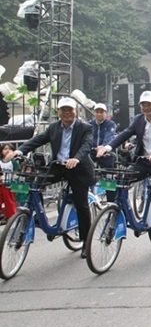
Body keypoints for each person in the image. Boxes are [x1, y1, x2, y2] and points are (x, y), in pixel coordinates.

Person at [96, 91, 151, 257]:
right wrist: (107, 147)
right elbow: (124, 134)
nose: (146, 108)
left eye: (149, 104)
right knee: (121, 179)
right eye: (143, 105)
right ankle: (115, 209)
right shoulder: (138, 120)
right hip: (143, 162)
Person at [7, 98, 95, 257]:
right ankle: (38, 215)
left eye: (70, 109)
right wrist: (19, 151)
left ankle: (85, 241)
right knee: (36, 183)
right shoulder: (54, 127)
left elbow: (87, 145)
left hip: (78, 168)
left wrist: (76, 158)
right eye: (64, 110)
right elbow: (37, 140)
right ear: (58, 112)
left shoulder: (85, 128)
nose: (67, 112)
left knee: (81, 204)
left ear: (76, 111)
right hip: (58, 167)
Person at [89, 103, 118, 202]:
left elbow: (109, 136)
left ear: (105, 113)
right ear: (94, 113)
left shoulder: (111, 124)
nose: (99, 114)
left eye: (101, 112)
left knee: (108, 176)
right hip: (92, 152)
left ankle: (111, 201)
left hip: (105, 153)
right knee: (84, 171)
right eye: (97, 112)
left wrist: (104, 147)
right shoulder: (90, 124)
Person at [0, 143, 19, 223]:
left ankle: (10, 216)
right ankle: (1, 214)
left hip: (9, 183)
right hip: (1, 183)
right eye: (5, 149)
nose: (7, 151)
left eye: (9, 149)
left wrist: (14, 181)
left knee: (9, 200)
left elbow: (17, 172)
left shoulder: (14, 162)